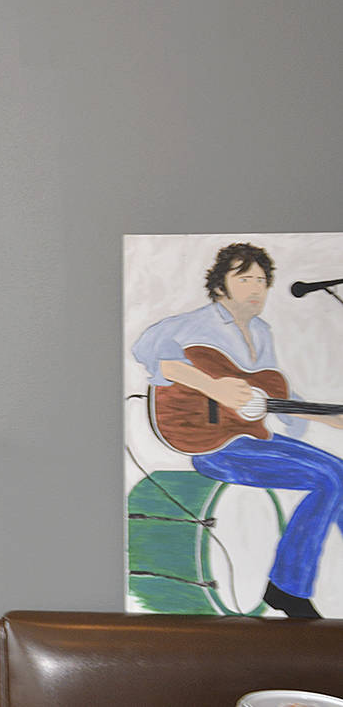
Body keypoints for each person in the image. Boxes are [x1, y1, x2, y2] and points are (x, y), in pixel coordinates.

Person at [132, 242, 343, 618]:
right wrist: (214, 388)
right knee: (326, 477)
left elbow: (272, 393)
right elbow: (148, 349)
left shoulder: (261, 331)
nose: (255, 288)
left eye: (261, 280)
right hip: (214, 445)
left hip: (251, 438)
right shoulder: (199, 323)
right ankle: (287, 587)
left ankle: (292, 584)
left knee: (339, 470)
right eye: (244, 279)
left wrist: (327, 417)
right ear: (220, 286)